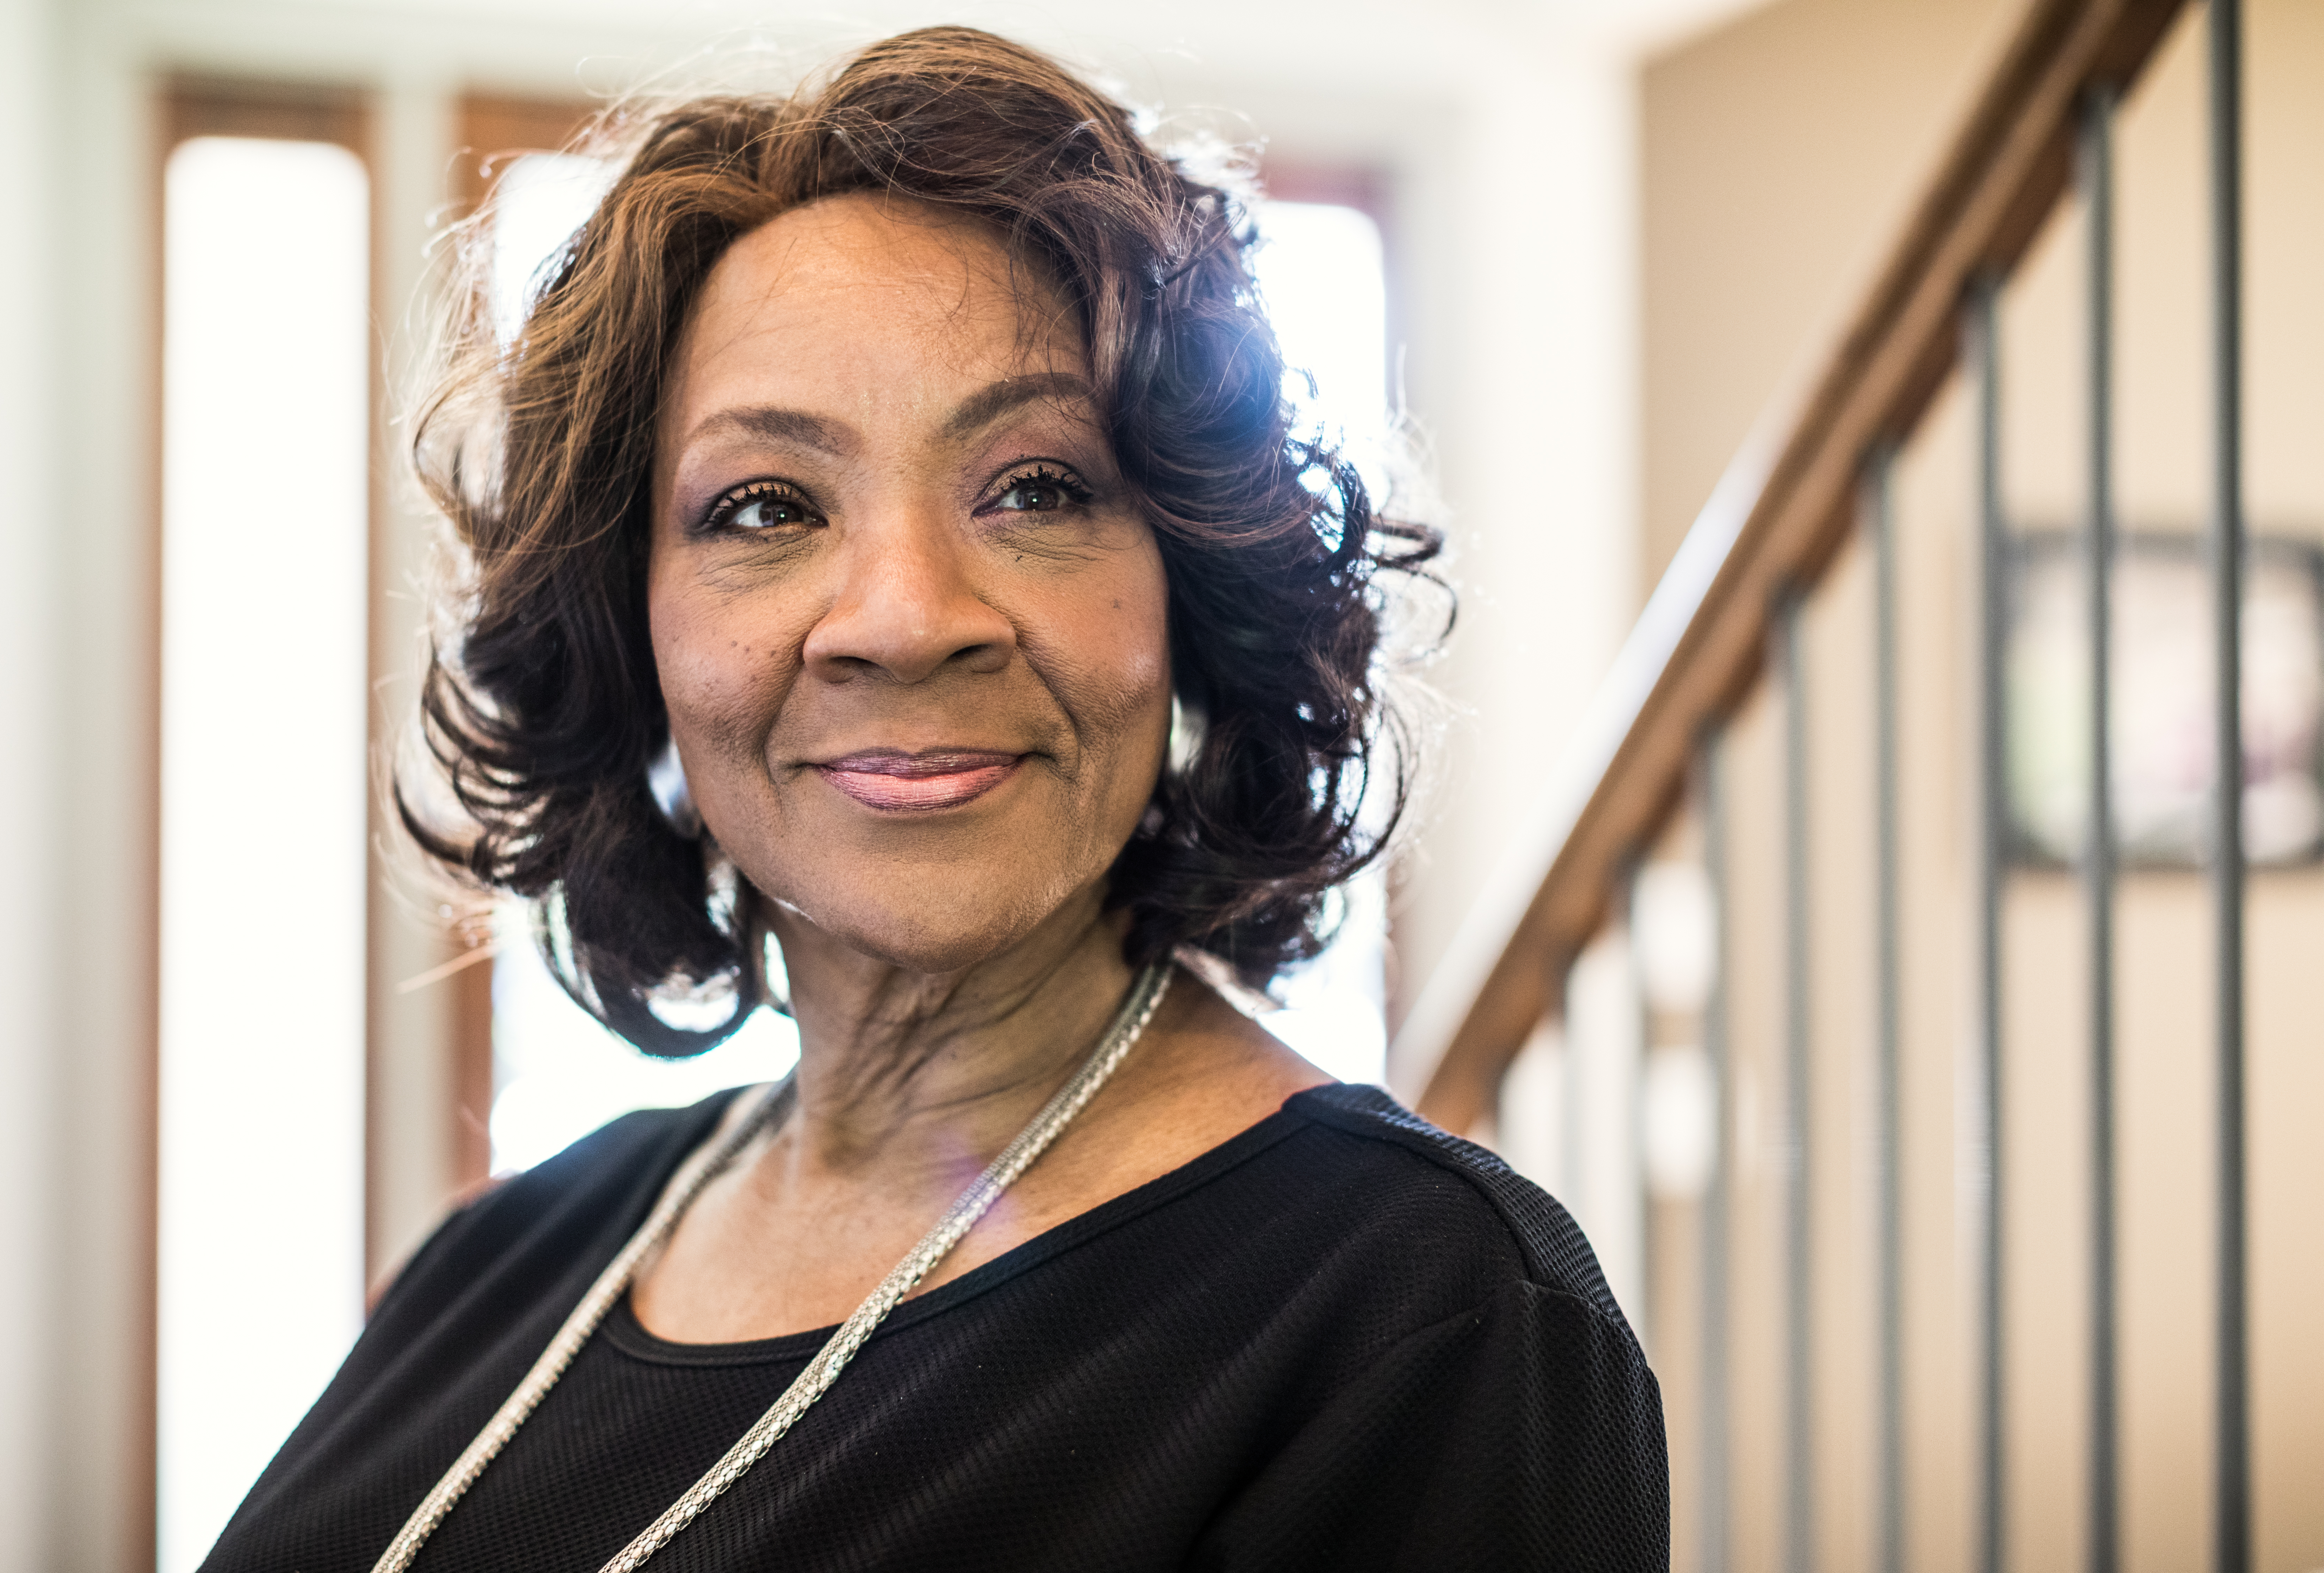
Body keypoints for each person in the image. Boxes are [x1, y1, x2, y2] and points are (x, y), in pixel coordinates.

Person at [201, 26, 1667, 1572]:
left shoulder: (1422, 1312)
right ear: (632, 630)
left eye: (1037, 486)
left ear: (1193, 592)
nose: (905, 616)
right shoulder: (500, 1259)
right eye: (766, 506)